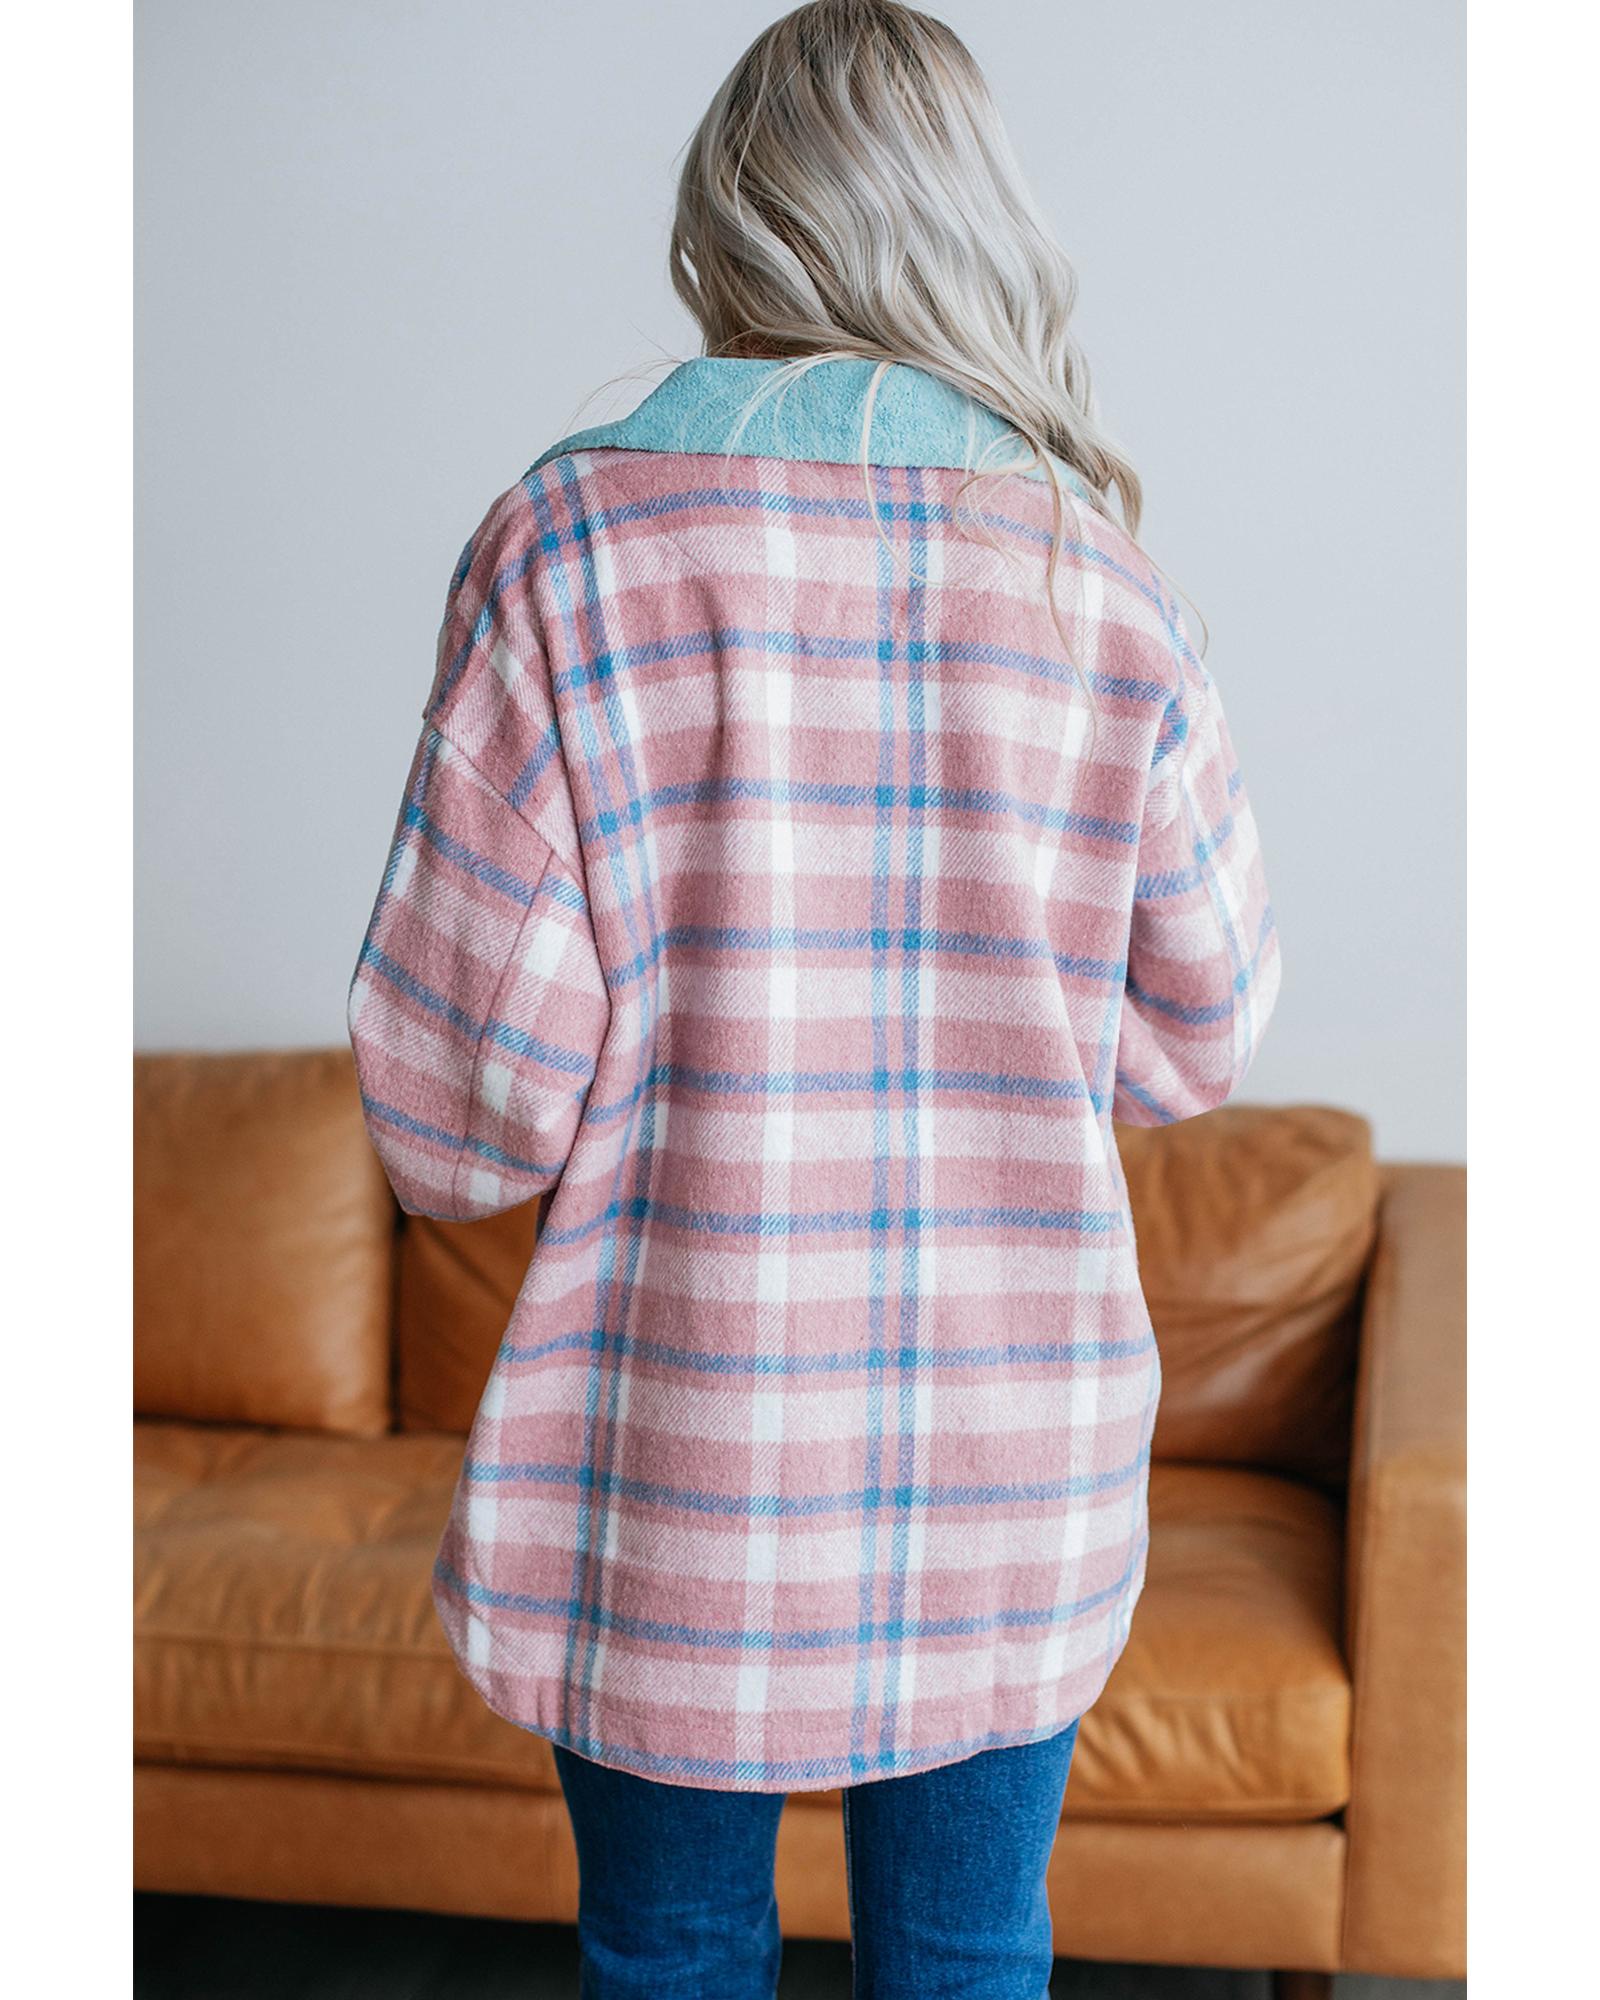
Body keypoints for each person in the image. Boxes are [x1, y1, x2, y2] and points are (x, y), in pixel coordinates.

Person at [346, 2, 1280, 1993]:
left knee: (670, 1947)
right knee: (966, 1951)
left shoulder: (563, 552)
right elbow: (1195, 1039)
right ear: (975, 225)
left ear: (730, 223)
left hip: (675, 1454)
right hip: (1011, 1464)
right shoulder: (1102, 588)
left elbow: (454, 1106)